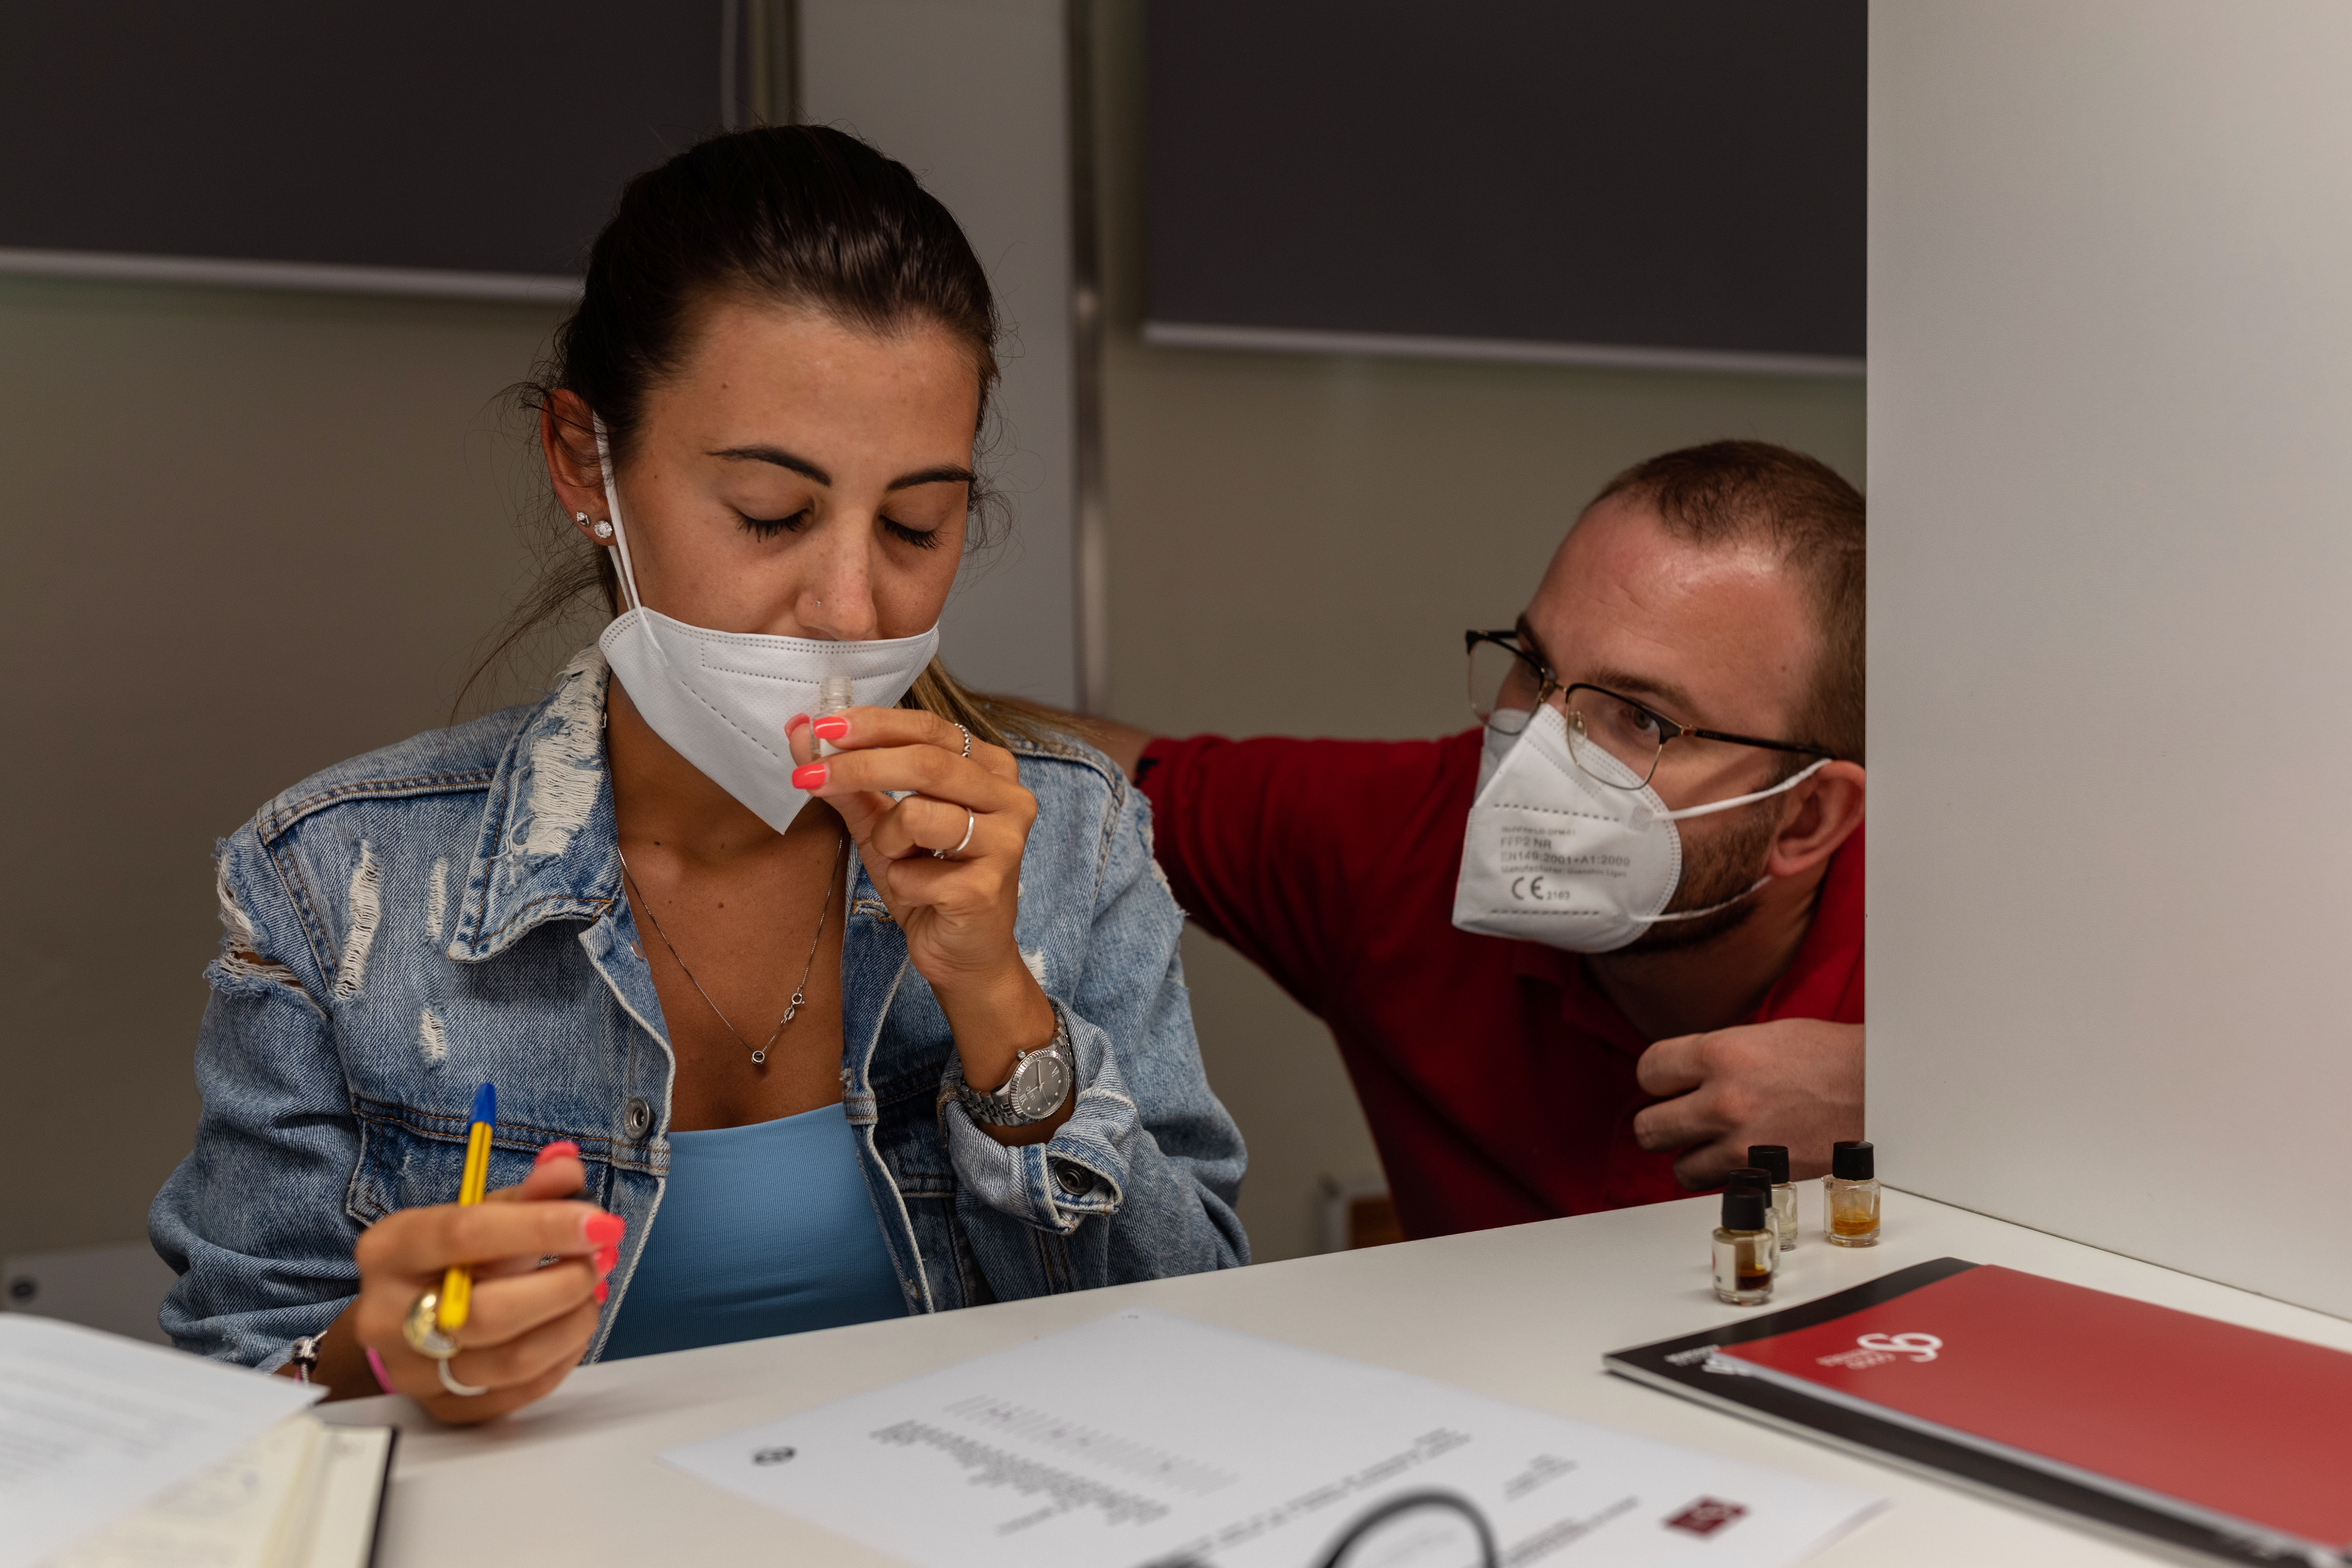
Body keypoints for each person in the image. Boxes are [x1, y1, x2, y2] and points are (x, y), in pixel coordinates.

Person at [150, 125, 1246, 1423]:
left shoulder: (1073, 841)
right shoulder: (329, 881)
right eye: (770, 515)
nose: (847, 605)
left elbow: (1199, 1344)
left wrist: (999, 1002)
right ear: (584, 462)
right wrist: (387, 1351)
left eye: (915, 524)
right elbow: (224, 1398)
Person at [1098, 442, 1864, 1240]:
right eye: (1533, 667)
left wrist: (1919, 1097)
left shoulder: (1961, 969)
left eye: (1640, 718)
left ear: (1807, 817)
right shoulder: (1412, 836)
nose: (1533, 750)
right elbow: (1092, 779)